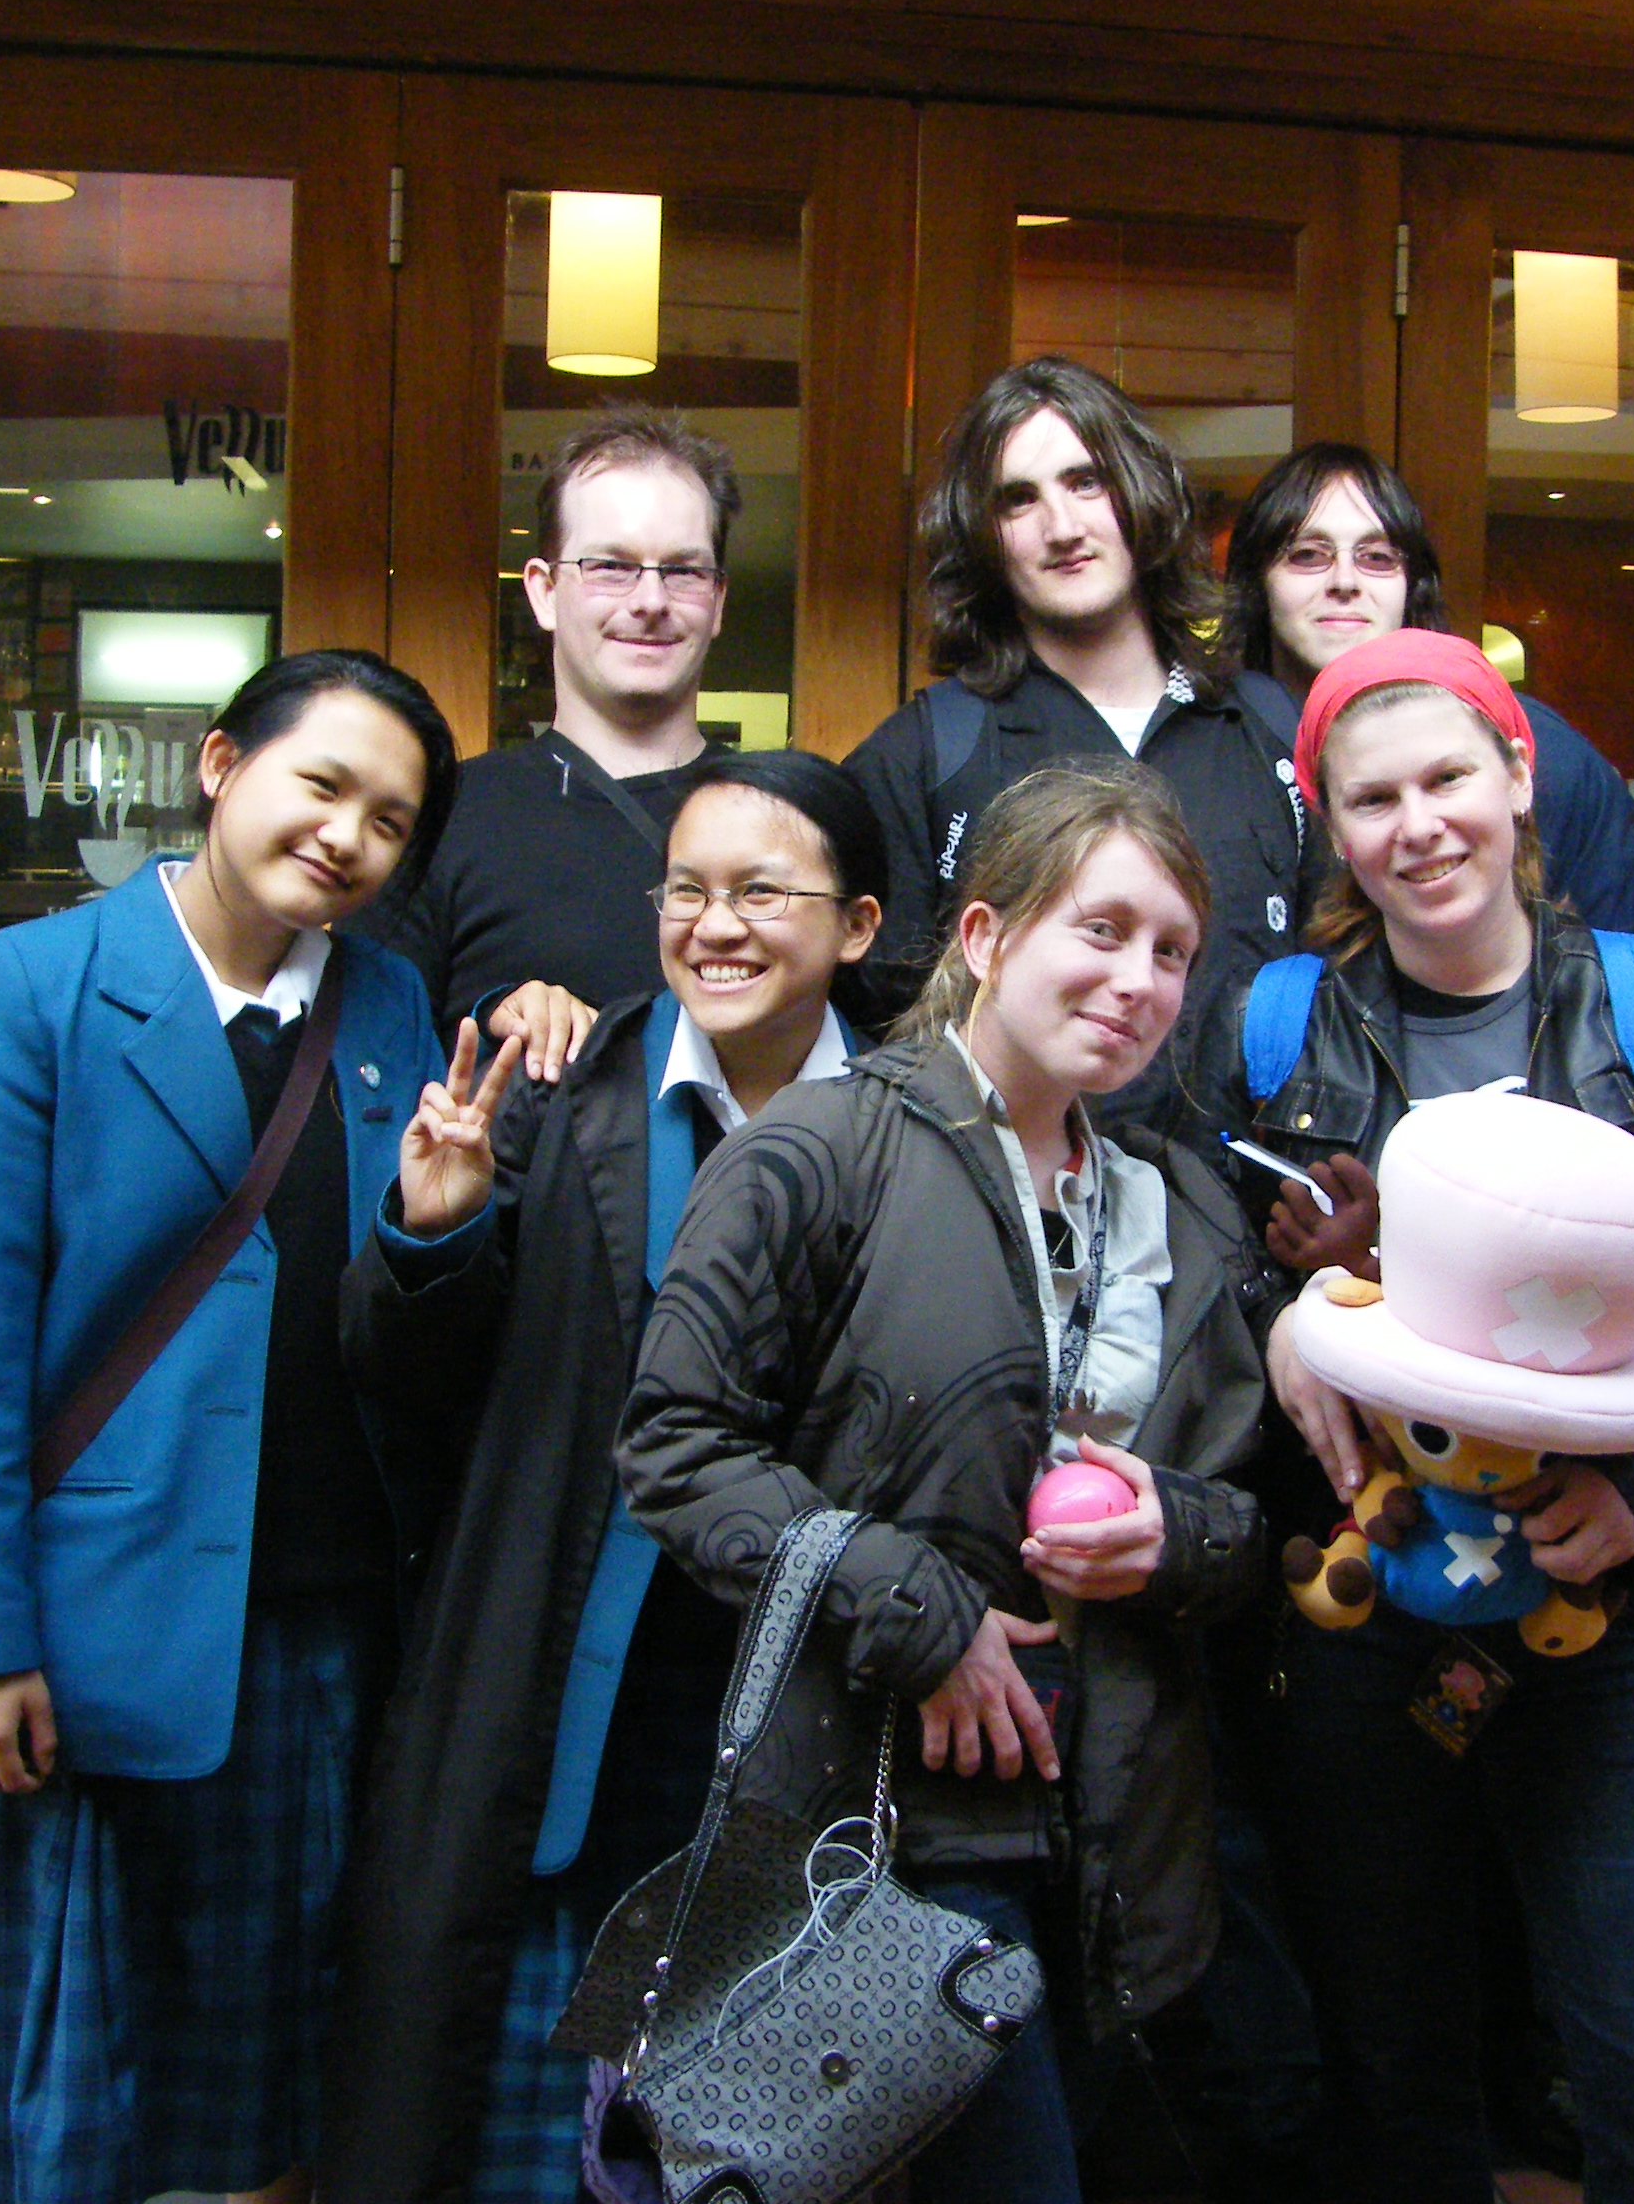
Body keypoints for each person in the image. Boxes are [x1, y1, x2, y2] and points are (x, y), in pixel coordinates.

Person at [618, 760, 1273, 2204]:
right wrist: (923, 1614)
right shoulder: (818, 1151)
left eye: (1172, 951)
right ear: (983, 936)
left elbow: (1250, 1515)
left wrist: (1174, 1536)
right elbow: (676, 1448)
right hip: (894, 1821)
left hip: (1118, 1832)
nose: (1139, 981)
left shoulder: (1181, 1203)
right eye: (1101, 930)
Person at [1216, 628, 1634, 2204]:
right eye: (1374, 799)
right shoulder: (1275, 1026)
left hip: (1618, 1625)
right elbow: (1197, 1259)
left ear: (1519, 776)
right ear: (1333, 827)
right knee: (1395, 2074)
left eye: (1449, 779)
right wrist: (1275, 1328)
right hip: (1366, 1611)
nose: (1419, 826)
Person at [0, 649, 482, 2204]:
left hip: (324, 1627)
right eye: (322, 786)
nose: (348, 837)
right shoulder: (39, 984)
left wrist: (434, 1234)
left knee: (275, 2074)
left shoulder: (388, 1005)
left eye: (391, 821)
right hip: (94, 1630)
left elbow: (398, 1330)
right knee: (71, 2086)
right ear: (223, 766)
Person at [323, 751, 887, 2204]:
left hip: (806, 1693)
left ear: (858, 926)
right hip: (566, 1669)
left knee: (764, 2131)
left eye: (762, 892)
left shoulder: (917, 1126)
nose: (717, 925)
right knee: (510, 2122)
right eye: (687, 890)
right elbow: (406, 1381)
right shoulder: (561, 1093)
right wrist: (432, 1233)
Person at [843, 357, 1316, 1120]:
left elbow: (1348, 982)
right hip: (1009, 1183)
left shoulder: (1272, 727)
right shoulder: (929, 750)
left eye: (1086, 482)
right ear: (983, 536)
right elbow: (875, 1022)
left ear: (1141, 493)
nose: (1061, 528)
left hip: (1246, 1185)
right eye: (1018, 500)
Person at [356, 403, 741, 1084]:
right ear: (542, 591)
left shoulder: (785, 818)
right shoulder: (441, 818)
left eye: (683, 570)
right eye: (611, 566)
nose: (650, 600)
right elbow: (369, 1069)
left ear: (717, 601)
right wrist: (490, 1019)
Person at [1217, 442, 1634, 938]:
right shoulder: (1211, 748)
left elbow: (1622, 956)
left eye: (1377, 557)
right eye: (1308, 556)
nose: (1345, 581)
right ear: (1258, 580)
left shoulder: (1544, 753)